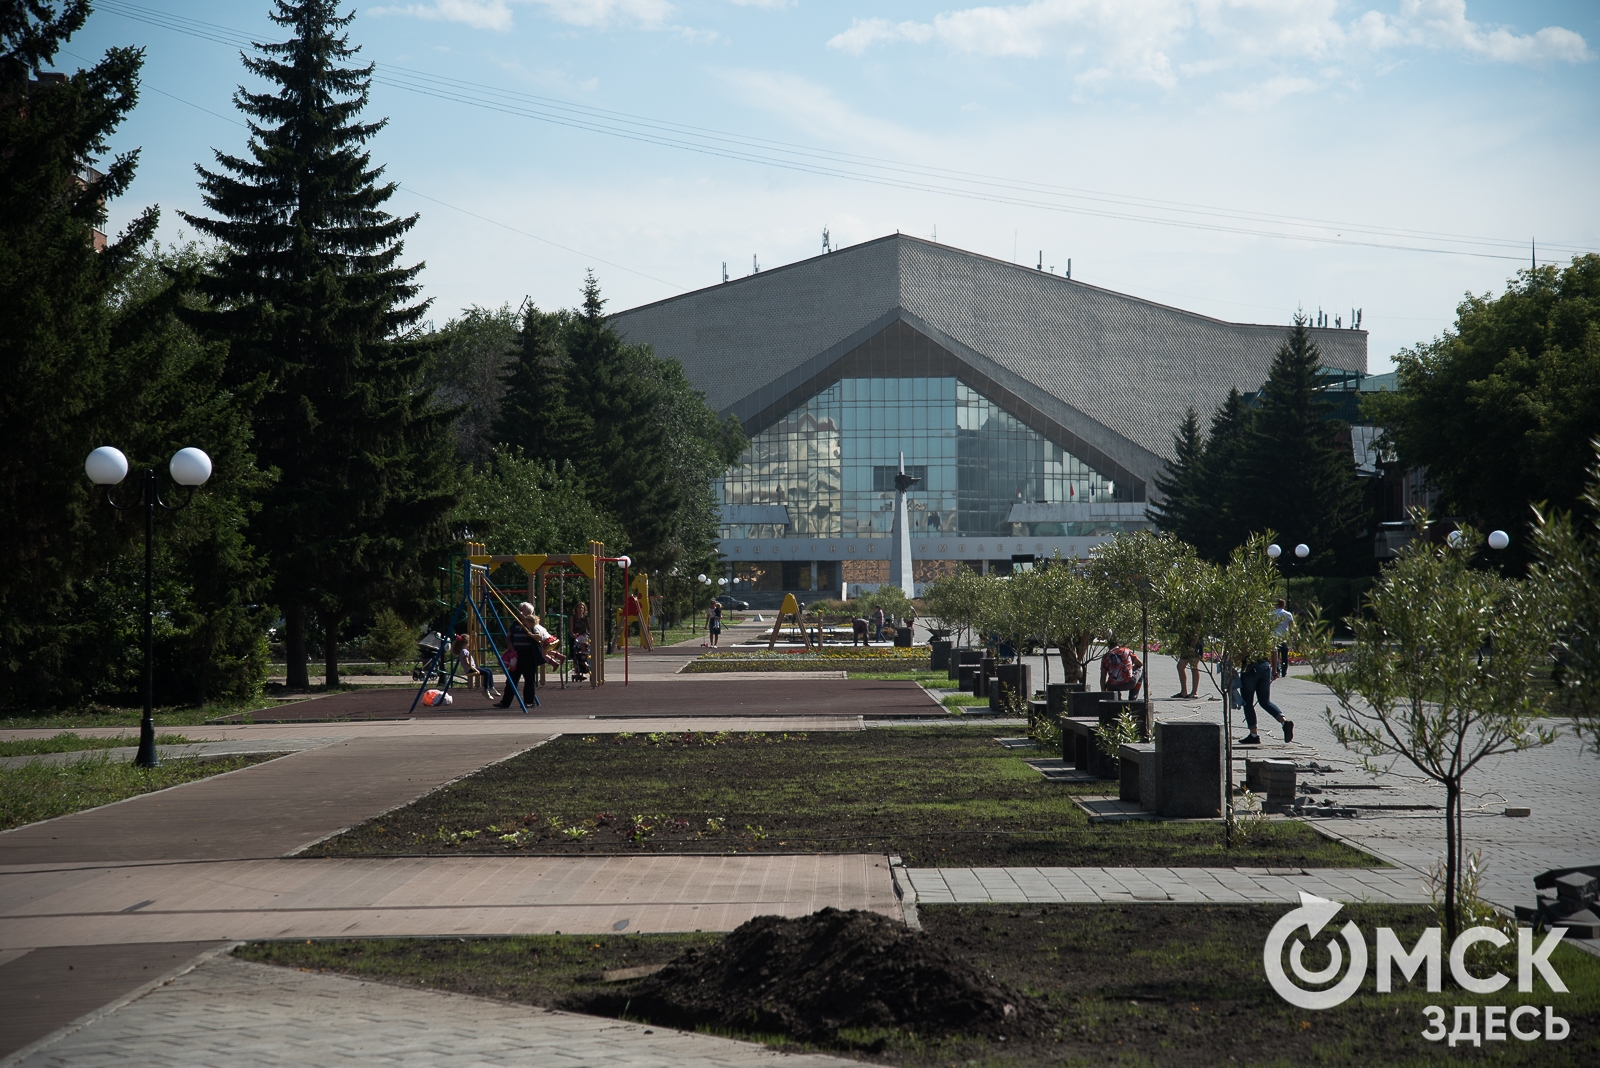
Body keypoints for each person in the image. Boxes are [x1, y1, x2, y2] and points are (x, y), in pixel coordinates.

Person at [497, 602, 545, 709]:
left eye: (522, 610)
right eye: (519, 609)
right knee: (512, 678)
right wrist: (509, 643)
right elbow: (509, 636)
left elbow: (540, 635)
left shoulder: (532, 623)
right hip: (516, 653)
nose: (520, 612)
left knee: (529, 678)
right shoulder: (515, 623)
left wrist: (531, 632)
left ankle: (529, 701)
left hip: (528, 653)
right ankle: (505, 702)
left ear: (528, 612)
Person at [1239, 657, 1293, 744]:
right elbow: (1274, 650)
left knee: (1247, 703)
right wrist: (1275, 670)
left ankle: (1254, 735)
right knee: (1265, 701)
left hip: (1250, 668)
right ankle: (1284, 722)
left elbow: (1243, 653)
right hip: (1265, 667)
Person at [451, 633, 498, 701]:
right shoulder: (464, 651)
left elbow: (472, 648)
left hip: (472, 668)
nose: (469, 644)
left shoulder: (464, 650)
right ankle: (486, 690)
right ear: (466, 642)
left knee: (489, 670)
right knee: (487, 673)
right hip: (470, 669)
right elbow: (467, 662)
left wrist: (473, 639)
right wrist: (475, 669)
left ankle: (491, 687)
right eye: (469, 642)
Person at [1172, 634, 1202, 699]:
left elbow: (1196, 632)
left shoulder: (1195, 623)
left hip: (1195, 644)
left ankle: (1194, 692)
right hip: (1187, 644)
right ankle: (1183, 692)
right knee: (1180, 666)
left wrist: (1193, 646)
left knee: (1194, 666)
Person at [1270, 599, 1294, 678]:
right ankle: (1284, 671)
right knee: (1285, 655)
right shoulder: (1288, 614)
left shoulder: (1271, 614)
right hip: (1284, 637)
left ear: (1276, 605)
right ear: (1284, 605)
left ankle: (1276, 670)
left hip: (1274, 636)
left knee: (1276, 654)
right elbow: (1292, 627)